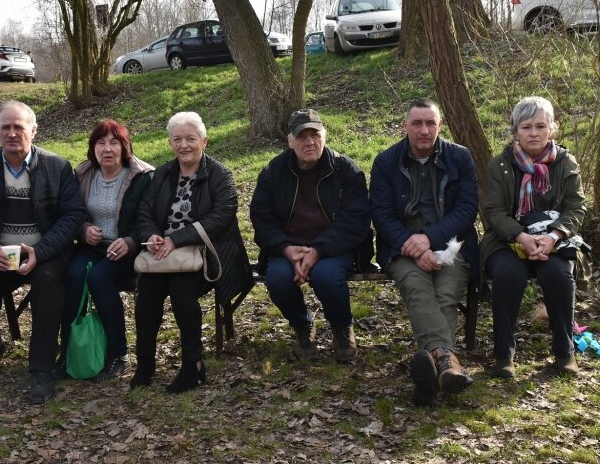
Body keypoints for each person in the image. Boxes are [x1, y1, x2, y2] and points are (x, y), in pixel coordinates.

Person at [0, 100, 85, 404]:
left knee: (47, 282)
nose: (12, 133)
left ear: (34, 130)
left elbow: (72, 217)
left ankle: (41, 368)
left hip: (45, 251)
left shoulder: (57, 167)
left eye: (19, 127)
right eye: (6, 127)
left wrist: (40, 252)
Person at [130, 111, 253, 393]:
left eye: (190, 139)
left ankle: (193, 366)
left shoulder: (220, 175)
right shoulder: (161, 174)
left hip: (209, 254)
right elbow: (145, 211)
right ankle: (145, 363)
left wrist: (177, 239)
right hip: (164, 255)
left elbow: (221, 217)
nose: (184, 145)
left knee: (181, 291)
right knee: (147, 294)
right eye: (177, 139)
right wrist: (153, 236)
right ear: (170, 143)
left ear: (204, 142)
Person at [370, 98, 479, 406]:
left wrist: (429, 238)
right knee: (418, 289)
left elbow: (467, 208)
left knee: (446, 293)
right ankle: (448, 364)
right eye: (417, 123)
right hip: (402, 247)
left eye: (430, 123)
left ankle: (432, 368)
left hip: (451, 245)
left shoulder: (460, 157)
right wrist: (413, 245)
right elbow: (381, 213)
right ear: (405, 126)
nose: (424, 130)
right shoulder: (385, 161)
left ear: (439, 126)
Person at [250, 109, 373, 363]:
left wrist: (318, 250)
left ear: (324, 136)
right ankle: (303, 325)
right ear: (290, 141)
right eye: (302, 136)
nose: (310, 142)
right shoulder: (273, 172)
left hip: (335, 247)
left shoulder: (346, 170)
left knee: (326, 276)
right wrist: (286, 249)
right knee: (278, 279)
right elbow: (262, 219)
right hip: (288, 248)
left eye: (315, 134)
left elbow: (355, 221)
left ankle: (341, 327)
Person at [481, 96, 586, 379]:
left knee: (558, 275)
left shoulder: (566, 163)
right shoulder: (499, 165)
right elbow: (492, 210)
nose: (534, 133)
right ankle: (504, 356)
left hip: (554, 241)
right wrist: (521, 237)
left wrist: (552, 237)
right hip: (507, 241)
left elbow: (576, 207)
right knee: (508, 275)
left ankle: (565, 353)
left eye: (541, 126)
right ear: (515, 131)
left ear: (552, 128)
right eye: (526, 127)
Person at [58, 120, 154, 380]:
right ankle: (69, 349)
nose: (107, 149)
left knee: (99, 278)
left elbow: (149, 218)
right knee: (73, 275)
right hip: (93, 246)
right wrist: (84, 229)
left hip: (127, 250)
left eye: (114, 142)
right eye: (101, 142)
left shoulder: (142, 177)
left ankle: (118, 353)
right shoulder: (82, 175)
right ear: (93, 148)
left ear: (125, 147)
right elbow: (71, 213)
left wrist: (131, 241)